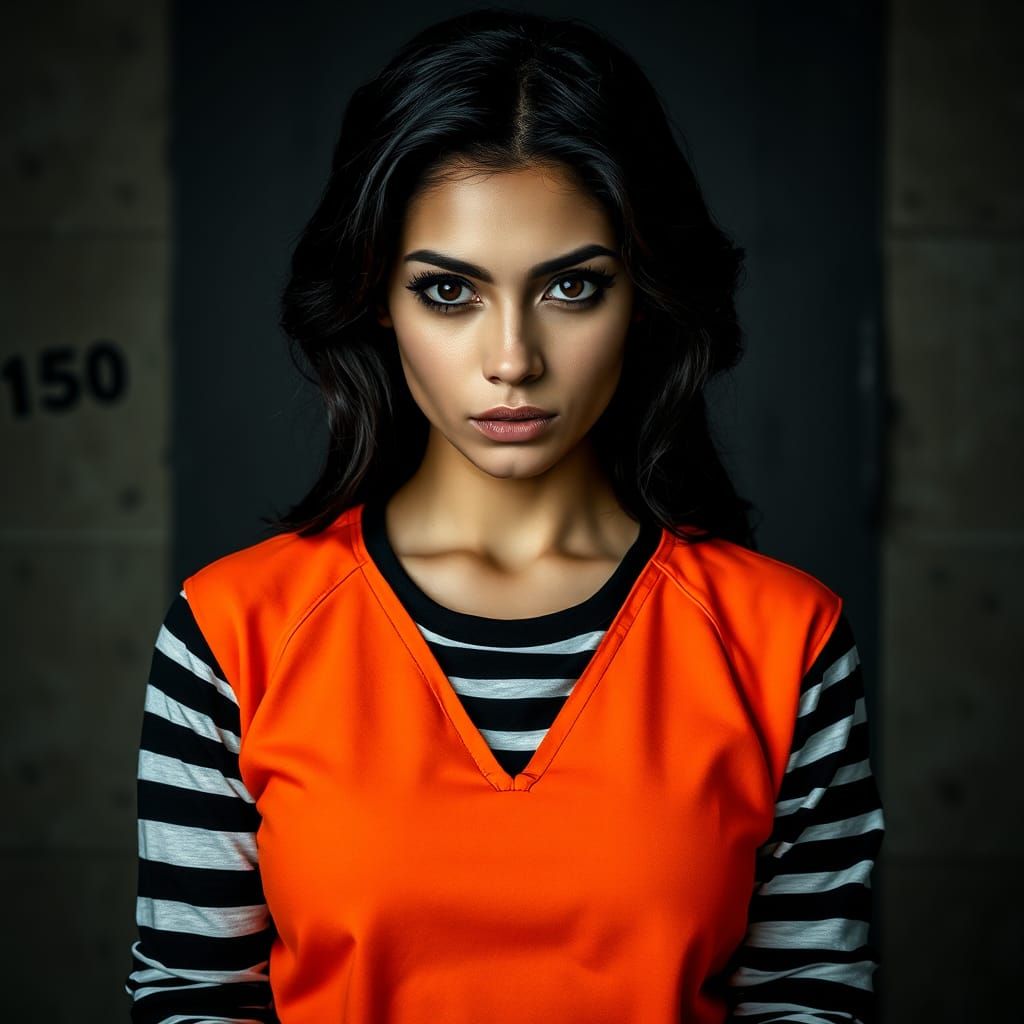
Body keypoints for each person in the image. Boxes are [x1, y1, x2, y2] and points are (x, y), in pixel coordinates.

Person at [124, 8, 885, 1023]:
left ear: (645, 301)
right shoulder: (231, 632)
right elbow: (191, 999)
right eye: (449, 290)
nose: (512, 358)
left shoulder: (786, 644)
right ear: (374, 302)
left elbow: (811, 1000)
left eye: (572, 286)